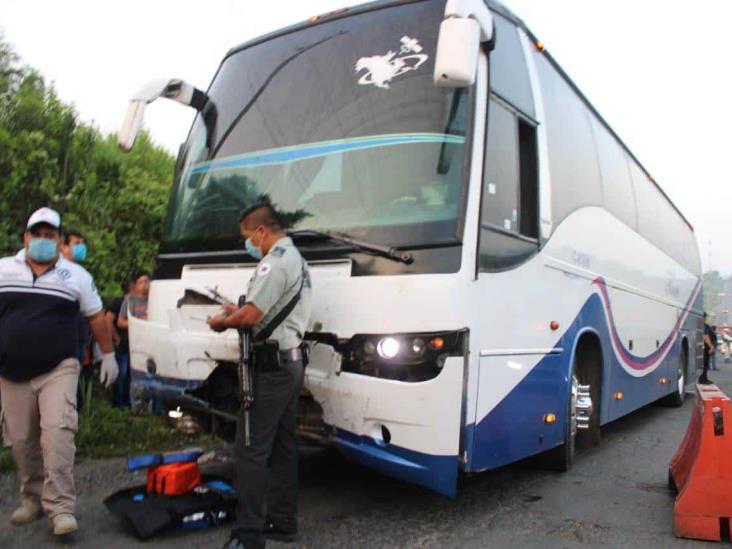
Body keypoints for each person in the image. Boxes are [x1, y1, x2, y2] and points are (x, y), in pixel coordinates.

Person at [0, 207, 118, 536]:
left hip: (59, 367)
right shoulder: (3, 269)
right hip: (10, 371)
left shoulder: (76, 276)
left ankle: (61, 508)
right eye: (36, 235)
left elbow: (96, 317)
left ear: (58, 241)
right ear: (25, 238)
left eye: (49, 236)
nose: (42, 240)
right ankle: (33, 498)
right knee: (21, 441)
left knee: (58, 433)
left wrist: (108, 355)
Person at [207, 202, 311, 549]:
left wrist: (223, 321)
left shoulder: (275, 261)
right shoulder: (295, 259)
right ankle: (282, 522)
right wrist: (242, 311)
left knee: (250, 449)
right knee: (283, 447)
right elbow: (266, 311)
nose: (249, 244)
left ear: (261, 231)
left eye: (248, 238)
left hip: (271, 368)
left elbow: (252, 317)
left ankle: (248, 535)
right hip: (290, 363)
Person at [115, 273, 150, 407]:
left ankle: (142, 405)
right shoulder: (130, 300)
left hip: (149, 344)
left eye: (147, 281)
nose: (144, 285)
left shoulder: (156, 299)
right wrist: (140, 322)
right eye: (141, 282)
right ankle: (120, 404)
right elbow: (120, 322)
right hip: (129, 343)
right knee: (123, 374)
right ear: (136, 285)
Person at [107, 280, 133, 407]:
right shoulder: (118, 302)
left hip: (132, 345)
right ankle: (117, 403)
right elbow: (108, 321)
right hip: (121, 344)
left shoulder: (135, 303)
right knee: (120, 374)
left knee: (129, 375)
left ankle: (127, 402)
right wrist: (116, 338)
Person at [700, 313, 714, 384]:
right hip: (705, 348)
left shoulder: (703, 325)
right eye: (706, 317)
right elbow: (705, 337)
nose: (706, 318)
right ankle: (703, 378)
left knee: (705, 364)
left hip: (703, 347)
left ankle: (704, 378)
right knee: (705, 364)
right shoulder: (704, 326)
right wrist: (711, 346)